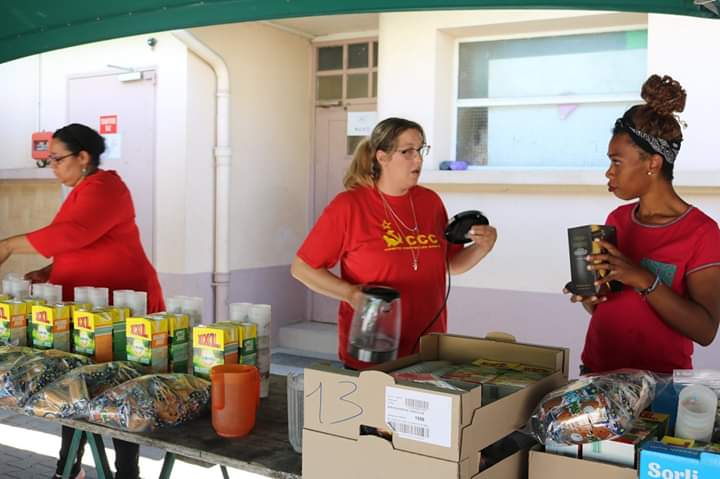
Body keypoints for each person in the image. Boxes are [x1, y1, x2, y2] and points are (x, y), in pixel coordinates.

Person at [0, 123, 164, 479]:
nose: (53, 167)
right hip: (88, 310)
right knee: (73, 387)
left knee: (119, 389)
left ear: (83, 157)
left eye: (57, 159)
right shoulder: (82, 190)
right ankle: (68, 467)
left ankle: (126, 473)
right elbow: (78, 244)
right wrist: (49, 269)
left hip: (121, 310)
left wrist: (9, 245)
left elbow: (73, 233)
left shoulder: (107, 187)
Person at [290, 117, 497, 369]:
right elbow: (302, 268)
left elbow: (449, 265)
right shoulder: (349, 206)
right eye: (407, 151)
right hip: (374, 349)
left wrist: (482, 248)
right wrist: (351, 294)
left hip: (429, 348)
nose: (418, 159)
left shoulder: (430, 202)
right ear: (382, 157)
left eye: (421, 150)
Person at [565, 75, 720, 374]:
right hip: (598, 374)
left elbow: (705, 330)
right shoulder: (617, 220)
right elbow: (607, 309)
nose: (608, 173)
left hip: (658, 387)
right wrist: (589, 297)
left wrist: (644, 279)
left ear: (653, 163)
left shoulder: (702, 232)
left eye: (617, 162)